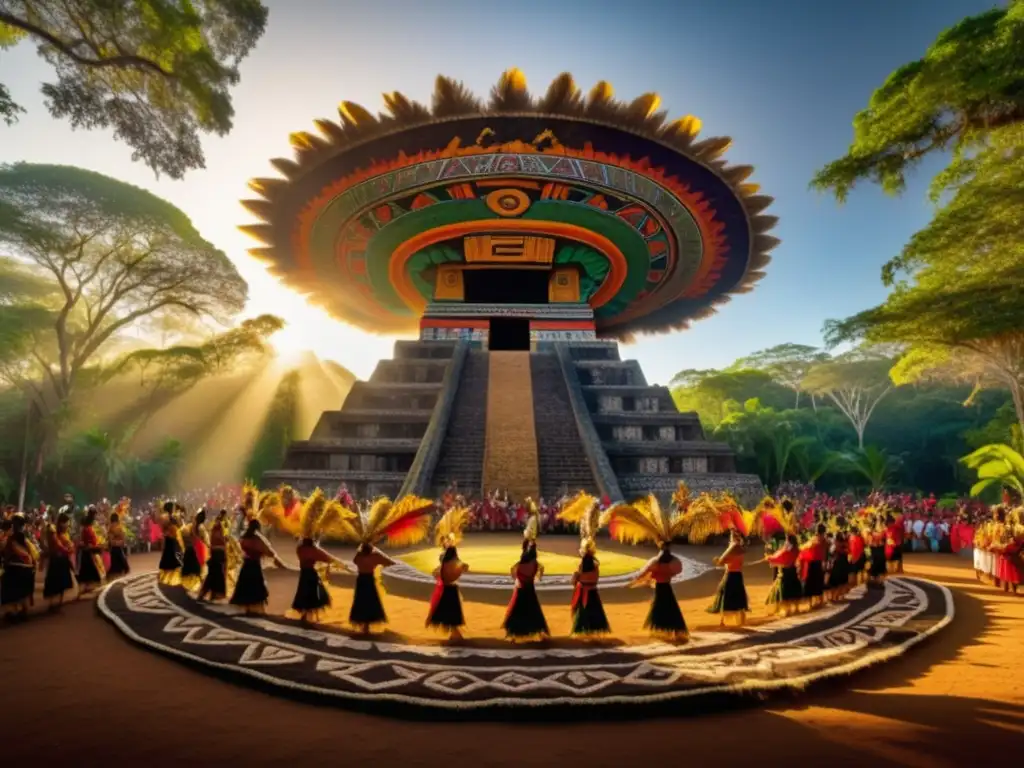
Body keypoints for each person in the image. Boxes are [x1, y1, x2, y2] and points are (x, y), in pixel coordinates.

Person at [503, 506, 550, 642]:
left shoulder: (528, 555)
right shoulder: (531, 555)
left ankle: (513, 633)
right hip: (527, 584)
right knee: (533, 608)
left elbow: (516, 568)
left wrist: (516, 579)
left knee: (518, 609)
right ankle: (539, 633)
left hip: (523, 584)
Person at [426, 505, 471, 640]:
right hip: (446, 585)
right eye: (445, 539)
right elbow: (447, 566)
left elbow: (454, 564)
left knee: (450, 610)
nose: (445, 541)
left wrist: (461, 566)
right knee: (448, 610)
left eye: (447, 540)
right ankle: (454, 632)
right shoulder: (446, 552)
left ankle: (455, 632)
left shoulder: (450, 552)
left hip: (449, 586)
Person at [229, 519, 287, 615]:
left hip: (246, 565)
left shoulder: (244, 537)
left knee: (245, 587)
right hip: (254, 566)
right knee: (256, 588)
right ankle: (255, 610)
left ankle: (247, 609)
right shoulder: (257, 539)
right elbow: (269, 552)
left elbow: (241, 548)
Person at [632, 541, 687, 641]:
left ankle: (660, 628)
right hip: (667, 587)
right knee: (671, 608)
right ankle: (673, 629)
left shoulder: (655, 562)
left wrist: (636, 579)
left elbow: (645, 572)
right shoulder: (674, 561)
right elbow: (677, 571)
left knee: (658, 608)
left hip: (659, 587)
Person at [707, 527, 749, 627]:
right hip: (738, 575)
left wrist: (717, 560)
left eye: (731, 534)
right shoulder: (741, 548)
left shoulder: (732, 547)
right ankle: (741, 620)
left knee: (725, 596)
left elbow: (722, 561)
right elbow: (733, 560)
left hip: (730, 575)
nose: (730, 536)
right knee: (739, 597)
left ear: (733, 536)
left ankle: (722, 621)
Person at [1, 514, 39, 620]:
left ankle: (12, 612)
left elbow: (6, 553)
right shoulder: (25, 538)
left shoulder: (11, 539)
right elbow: (33, 554)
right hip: (27, 569)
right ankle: (23, 611)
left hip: (15, 569)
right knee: (23, 593)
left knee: (10, 591)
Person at [43, 513, 77, 608]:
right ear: (61, 523)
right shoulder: (53, 532)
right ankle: (52, 603)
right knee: (54, 582)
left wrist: (70, 548)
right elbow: (59, 546)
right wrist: (68, 549)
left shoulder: (63, 533)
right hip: (56, 560)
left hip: (63, 560)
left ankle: (58, 603)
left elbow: (68, 545)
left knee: (62, 583)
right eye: (66, 523)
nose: (67, 525)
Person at [199, 510, 234, 602]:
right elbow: (222, 541)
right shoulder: (219, 528)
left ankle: (208, 594)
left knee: (213, 575)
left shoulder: (215, 528)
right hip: (219, 554)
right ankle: (209, 594)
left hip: (216, 554)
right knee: (216, 576)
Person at [765, 534, 802, 617]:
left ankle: (786, 610)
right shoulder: (796, 549)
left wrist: (769, 558)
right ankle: (796, 608)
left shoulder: (786, 550)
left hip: (786, 572)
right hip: (793, 571)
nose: (785, 541)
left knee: (784, 593)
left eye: (786, 539)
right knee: (794, 591)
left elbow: (779, 558)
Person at [76, 506, 106, 594]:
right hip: (89, 550)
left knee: (88, 568)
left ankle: (87, 586)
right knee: (90, 568)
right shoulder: (87, 528)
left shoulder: (88, 527)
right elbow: (86, 540)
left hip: (90, 549)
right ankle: (87, 586)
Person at [180, 509, 210, 592]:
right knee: (200, 567)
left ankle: (189, 585)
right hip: (199, 547)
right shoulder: (201, 527)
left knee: (191, 567)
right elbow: (206, 539)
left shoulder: (192, 525)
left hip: (192, 547)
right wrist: (208, 545)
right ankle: (198, 585)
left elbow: (183, 532)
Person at [800, 524, 827, 609]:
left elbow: (824, 553)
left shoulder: (822, 541)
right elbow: (804, 548)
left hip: (817, 564)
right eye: (822, 533)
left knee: (818, 584)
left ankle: (819, 602)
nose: (822, 535)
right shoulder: (813, 541)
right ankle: (811, 603)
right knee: (811, 584)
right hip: (812, 564)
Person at [158, 502, 185, 586]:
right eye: (173, 507)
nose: (174, 509)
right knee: (173, 558)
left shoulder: (169, 516)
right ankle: (169, 578)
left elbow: (180, 525)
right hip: (171, 539)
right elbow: (164, 527)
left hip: (172, 538)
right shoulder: (167, 517)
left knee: (171, 558)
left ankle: (168, 578)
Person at [826, 530, 850, 601]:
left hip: (837, 563)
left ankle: (833, 597)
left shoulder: (835, 544)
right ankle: (840, 596)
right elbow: (848, 551)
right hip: (844, 563)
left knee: (835, 581)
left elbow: (831, 552)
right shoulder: (845, 544)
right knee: (842, 580)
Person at [107, 512, 130, 578]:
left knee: (116, 567)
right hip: (118, 548)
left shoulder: (111, 528)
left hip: (115, 549)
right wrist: (120, 542)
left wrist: (115, 542)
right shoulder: (119, 527)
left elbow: (111, 541)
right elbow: (122, 539)